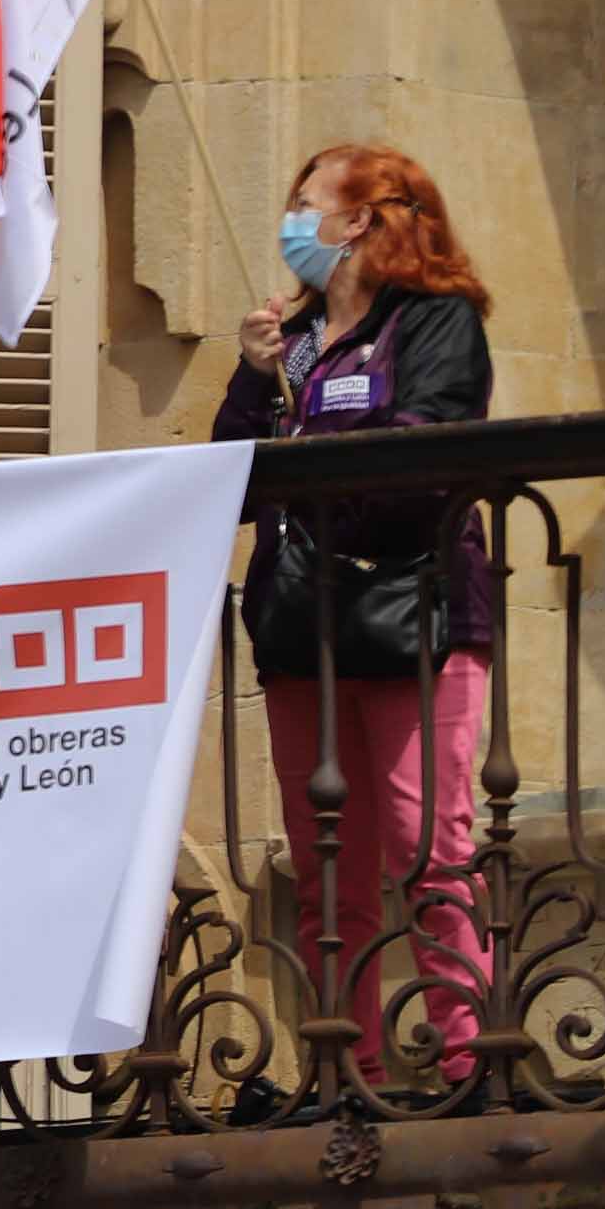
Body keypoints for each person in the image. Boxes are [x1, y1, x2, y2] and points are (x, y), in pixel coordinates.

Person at [216, 144, 495, 1100]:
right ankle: (350, 1069)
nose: (292, 222)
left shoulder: (436, 321)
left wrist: (323, 490)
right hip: (302, 634)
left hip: (414, 618)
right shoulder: (290, 341)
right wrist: (255, 381)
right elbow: (228, 476)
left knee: (429, 850)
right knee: (327, 866)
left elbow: (429, 445)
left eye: (308, 205)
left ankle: (468, 1065)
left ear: (365, 220)